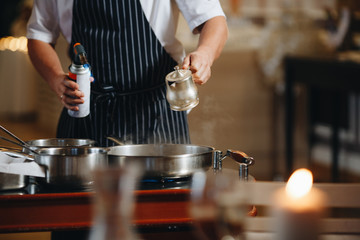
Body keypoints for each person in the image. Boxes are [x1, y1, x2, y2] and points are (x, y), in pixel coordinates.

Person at [27, 0, 227, 149]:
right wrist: (55, 78)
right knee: (80, 201)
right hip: (86, 111)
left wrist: (205, 54)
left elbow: (214, 20)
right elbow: (39, 36)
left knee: (161, 201)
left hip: (156, 113)